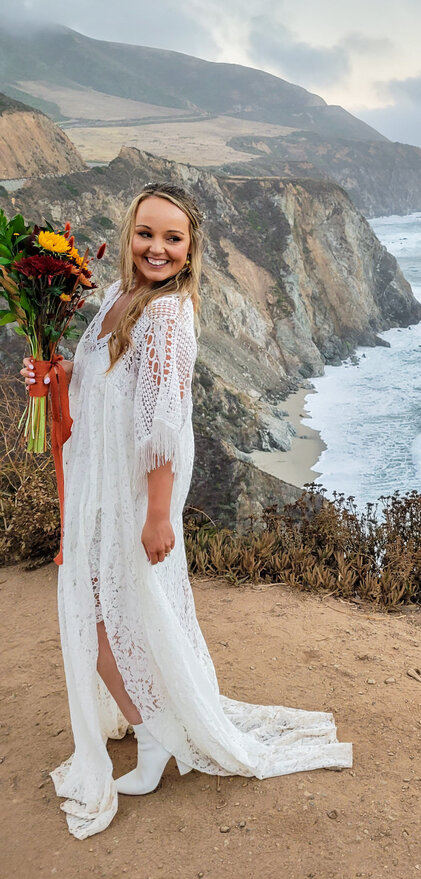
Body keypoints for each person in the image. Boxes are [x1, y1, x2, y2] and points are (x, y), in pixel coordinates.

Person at [22, 182, 352, 840]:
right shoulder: (118, 299)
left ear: (191, 248)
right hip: (101, 483)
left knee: (104, 614)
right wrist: (47, 376)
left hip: (134, 493)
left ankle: (153, 737)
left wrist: (160, 515)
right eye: (147, 233)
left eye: (173, 238)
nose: (157, 247)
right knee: (107, 612)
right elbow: (91, 387)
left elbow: (165, 427)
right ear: (129, 235)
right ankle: (150, 720)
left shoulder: (169, 316)